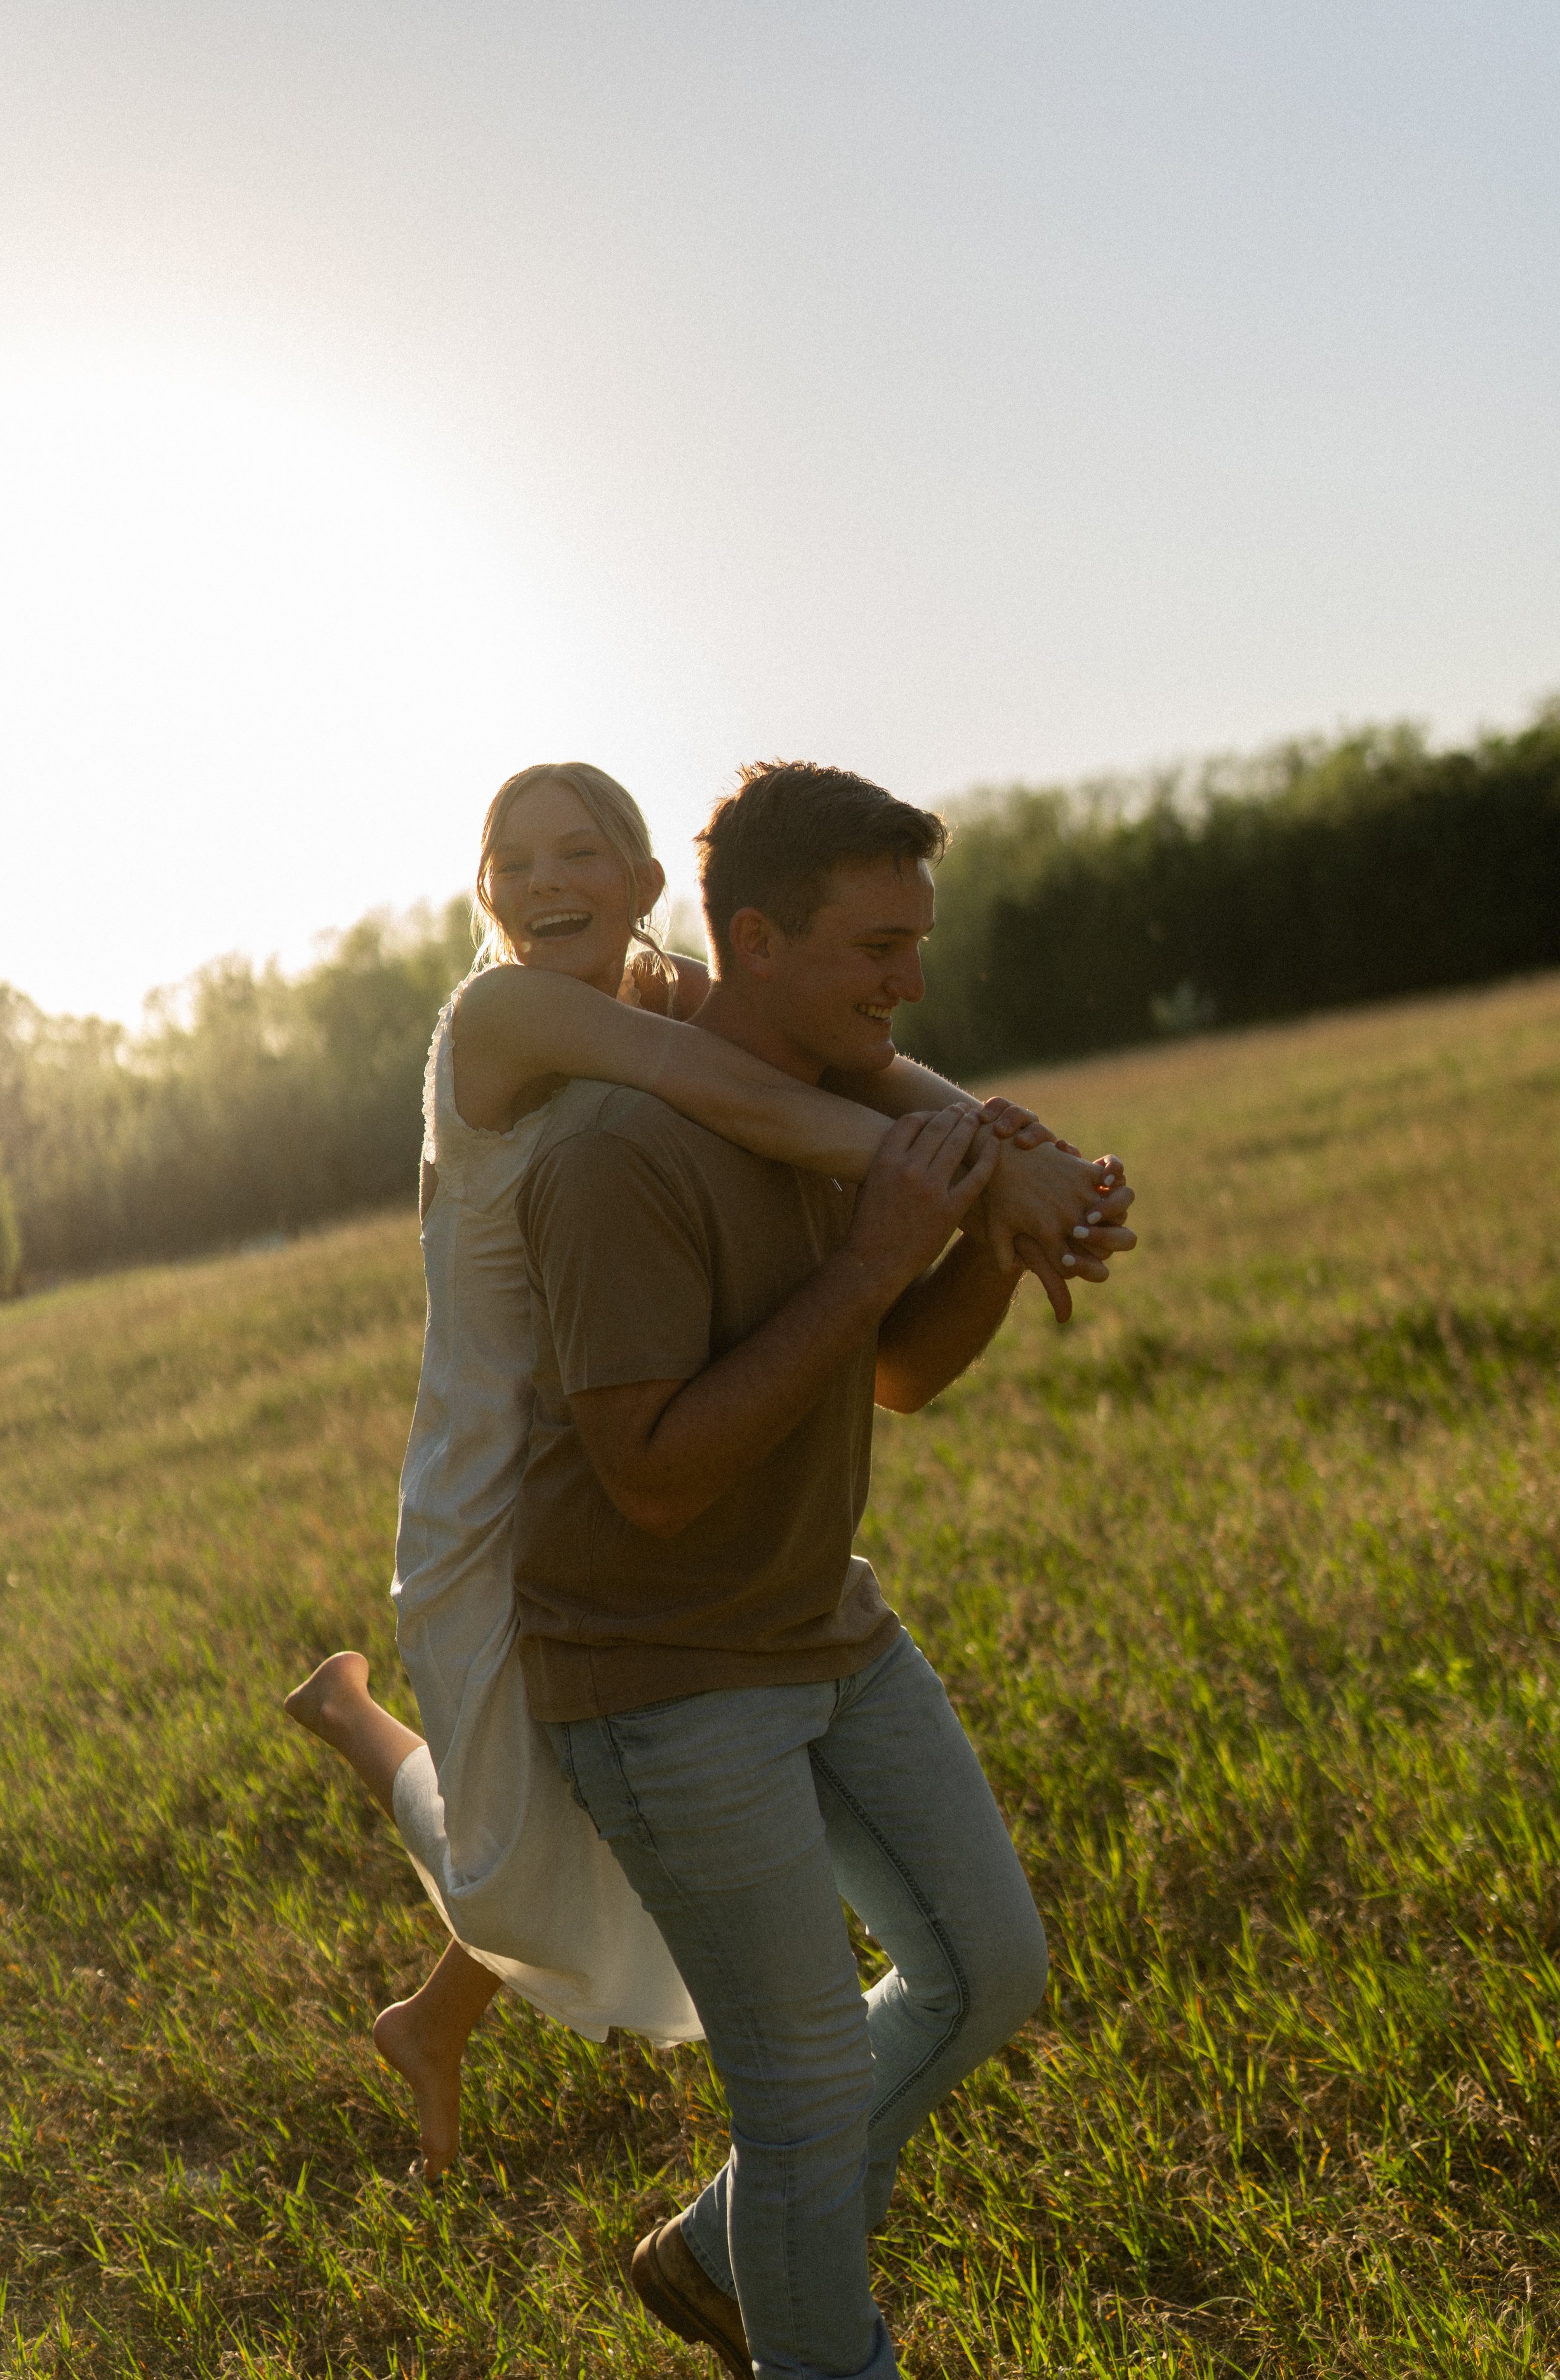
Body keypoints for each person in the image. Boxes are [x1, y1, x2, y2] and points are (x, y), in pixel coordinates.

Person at [285, 760, 1134, 2189]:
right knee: (518, 1859)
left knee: (578, 1841)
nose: (544, 882)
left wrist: (1007, 1141)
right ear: (485, 890)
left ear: (637, 879)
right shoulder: (503, 1009)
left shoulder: (659, 980)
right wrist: (977, 1182)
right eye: (514, 859)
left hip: (598, 1449)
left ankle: (427, 2017)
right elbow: (738, 1097)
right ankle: (360, 1726)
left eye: (579, 853)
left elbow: (870, 1068)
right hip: (493, 1485)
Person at [512, 760, 1130, 2380]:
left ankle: (723, 2254)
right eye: (876, 949)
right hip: (661, 1682)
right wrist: (874, 1254)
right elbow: (648, 1478)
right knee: (796, 2101)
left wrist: (985, 1253)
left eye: (917, 944)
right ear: (756, 943)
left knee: (987, 1971)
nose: (911, 984)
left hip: (819, 1630)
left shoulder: (854, 1104)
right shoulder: (613, 1154)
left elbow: (897, 1375)